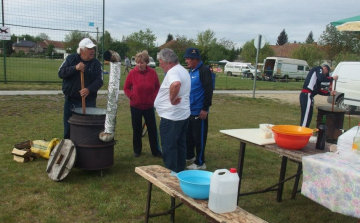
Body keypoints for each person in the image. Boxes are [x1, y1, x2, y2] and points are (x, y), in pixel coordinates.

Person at [58, 38, 103, 139]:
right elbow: (60, 73)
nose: (92, 51)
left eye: (93, 49)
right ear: (81, 50)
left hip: (89, 102)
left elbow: (100, 81)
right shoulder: (71, 59)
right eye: (89, 49)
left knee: (88, 128)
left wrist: (89, 89)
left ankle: (86, 151)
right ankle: (68, 149)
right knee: (69, 128)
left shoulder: (96, 64)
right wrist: (75, 68)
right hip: (71, 101)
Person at [154, 48, 191, 173]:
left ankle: (171, 174)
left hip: (171, 117)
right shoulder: (183, 70)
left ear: (168, 62)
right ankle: (180, 172)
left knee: (169, 147)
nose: (160, 65)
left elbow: (175, 84)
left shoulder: (173, 72)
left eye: (161, 62)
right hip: (182, 115)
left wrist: (172, 99)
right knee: (180, 144)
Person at [124, 50, 162, 157]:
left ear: (147, 63)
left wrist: (153, 98)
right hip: (135, 106)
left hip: (149, 106)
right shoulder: (132, 73)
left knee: (152, 129)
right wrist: (132, 96)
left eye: (142, 63)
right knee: (136, 128)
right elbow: (126, 88)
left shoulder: (153, 73)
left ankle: (155, 151)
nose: (139, 65)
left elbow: (157, 87)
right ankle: (137, 150)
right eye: (138, 62)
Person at [184, 47, 214, 170]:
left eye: (188, 59)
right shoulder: (191, 71)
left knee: (199, 138)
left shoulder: (204, 70)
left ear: (195, 59)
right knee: (189, 136)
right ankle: (190, 156)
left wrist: (205, 109)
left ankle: (200, 162)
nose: (186, 61)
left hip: (199, 110)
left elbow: (208, 90)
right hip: (189, 110)